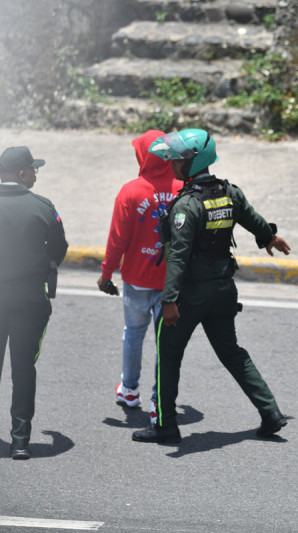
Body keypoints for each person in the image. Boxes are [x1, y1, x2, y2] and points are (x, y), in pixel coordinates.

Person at [131, 129, 291, 444]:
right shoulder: (229, 192)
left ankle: (165, 426)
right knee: (232, 352)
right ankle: (270, 412)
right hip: (223, 290)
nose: (173, 164)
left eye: (177, 159)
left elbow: (177, 257)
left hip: (191, 294)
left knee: (168, 353)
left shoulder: (186, 206)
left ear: (193, 162)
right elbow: (252, 218)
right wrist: (269, 237)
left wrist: (170, 300)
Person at [97, 130, 181, 423]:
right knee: (165, 341)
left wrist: (106, 274)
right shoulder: (184, 187)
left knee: (133, 333)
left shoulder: (131, 191)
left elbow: (117, 239)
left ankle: (130, 389)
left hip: (136, 279)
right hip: (172, 283)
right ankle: (160, 398)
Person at [0, 146, 68, 459]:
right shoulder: (43, 206)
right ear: (23, 173)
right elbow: (59, 250)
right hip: (28, 296)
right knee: (24, 368)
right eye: (33, 169)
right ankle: (20, 441)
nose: (36, 174)